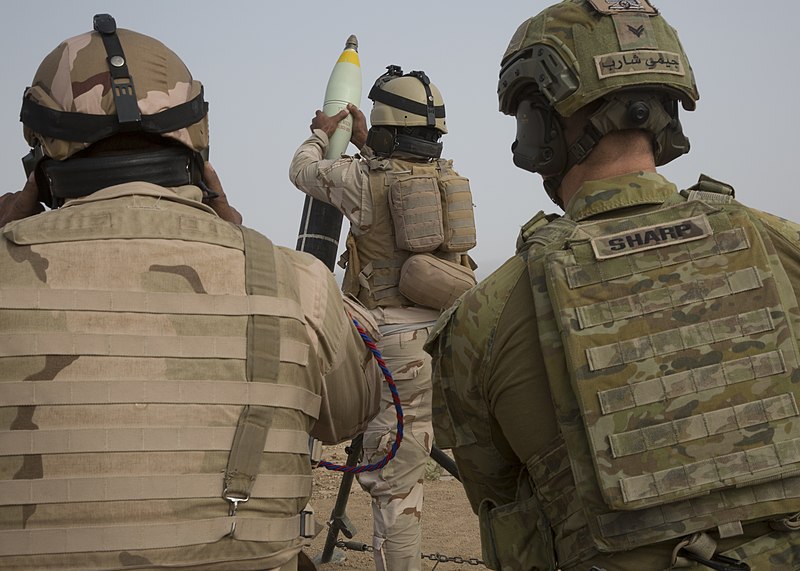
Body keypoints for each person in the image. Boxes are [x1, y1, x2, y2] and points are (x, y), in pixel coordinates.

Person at [424, 1, 800, 570]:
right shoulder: (785, 248)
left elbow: (499, 499)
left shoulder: (486, 317)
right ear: (669, 114)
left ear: (539, 126)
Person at [0, 14, 382, 571]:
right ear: (198, 144)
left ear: (40, 155)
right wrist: (244, 243)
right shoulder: (293, 281)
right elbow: (350, 412)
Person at [289, 65, 477, 570]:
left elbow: (302, 171)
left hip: (383, 344)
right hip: (441, 340)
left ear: (388, 129)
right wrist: (374, 145)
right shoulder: (449, 180)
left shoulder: (358, 179)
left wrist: (320, 134)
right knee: (406, 471)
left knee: (394, 490)